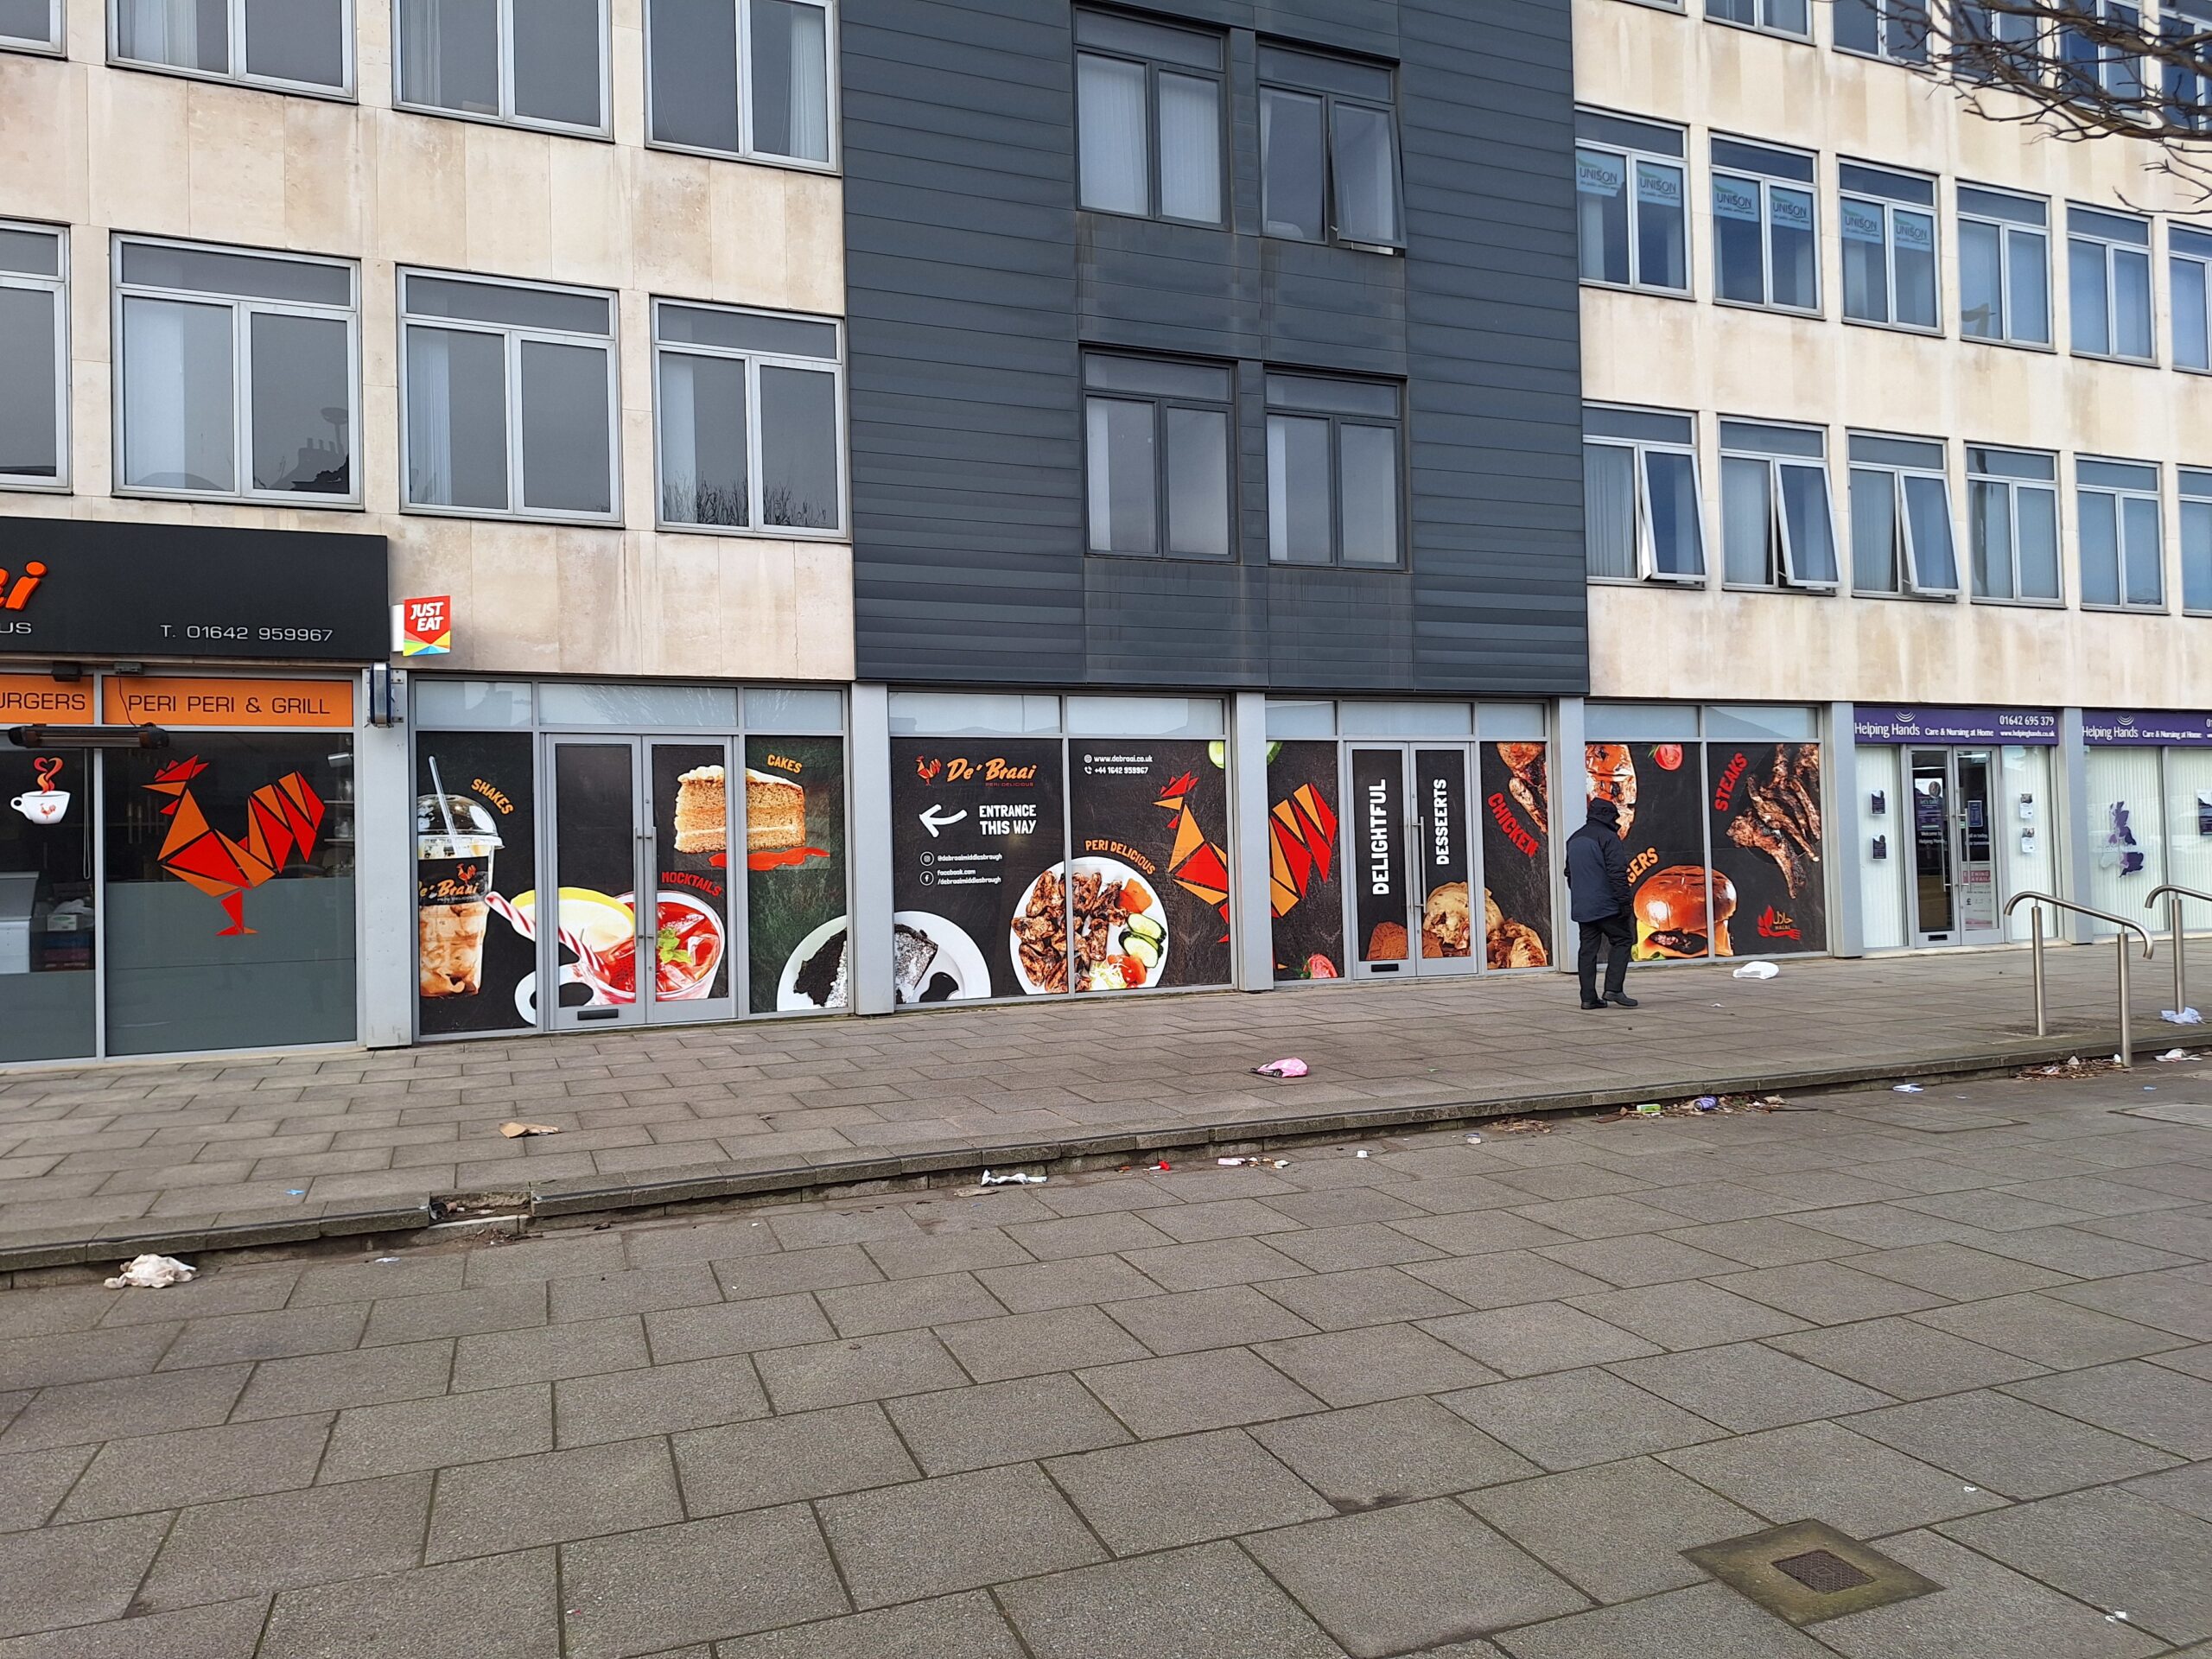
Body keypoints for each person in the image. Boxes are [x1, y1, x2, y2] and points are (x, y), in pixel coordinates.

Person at [1566, 796, 1637, 1009]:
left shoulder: (1575, 838)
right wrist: (1624, 902)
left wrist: (1582, 894)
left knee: (1587, 949)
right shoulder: (1608, 838)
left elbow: (1569, 873)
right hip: (1607, 904)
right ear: (1606, 816)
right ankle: (1613, 989)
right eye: (1614, 817)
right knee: (1623, 940)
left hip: (1583, 905)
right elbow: (1617, 873)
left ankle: (1588, 998)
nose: (1616, 821)